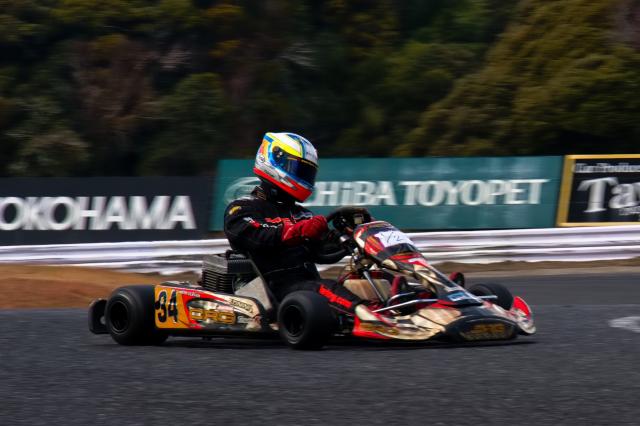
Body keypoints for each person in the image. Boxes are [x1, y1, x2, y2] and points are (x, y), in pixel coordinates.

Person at [223, 132, 379, 318]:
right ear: (274, 162)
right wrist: (298, 230)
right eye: (299, 170)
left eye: (307, 172)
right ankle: (372, 320)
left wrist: (348, 236)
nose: (304, 177)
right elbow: (257, 236)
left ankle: (399, 308)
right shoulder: (242, 208)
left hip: (306, 291)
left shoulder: (302, 214)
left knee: (370, 281)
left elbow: (321, 253)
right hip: (273, 291)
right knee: (324, 289)